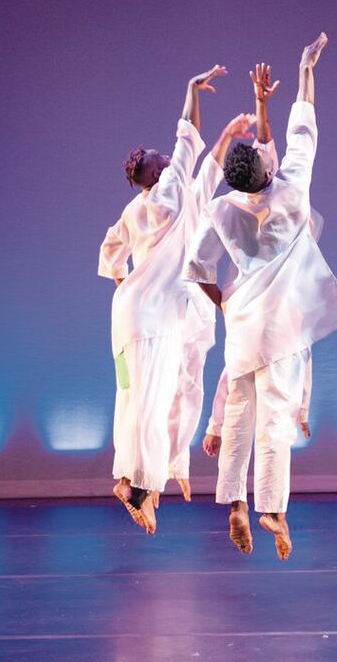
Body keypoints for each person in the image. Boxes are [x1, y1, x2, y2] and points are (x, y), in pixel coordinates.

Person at [184, 33, 337, 559]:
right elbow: (303, 131)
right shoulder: (291, 193)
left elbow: (196, 265)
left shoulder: (223, 208)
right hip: (280, 329)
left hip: (243, 325)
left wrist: (225, 303)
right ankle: (271, 509)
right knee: (274, 416)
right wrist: (305, 69)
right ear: (267, 173)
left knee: (238, 414)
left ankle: (233, 499)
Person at [98, 64, 238, 533]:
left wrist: (126, 283)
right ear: (157, 173)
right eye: (164, 159)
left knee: (130, 398)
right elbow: (188, 138)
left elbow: (109, 253)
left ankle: (128, 477)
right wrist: (191, 90)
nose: (171, 160)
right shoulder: (170, 194)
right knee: (152, 403)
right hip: (154, 320)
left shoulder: (133, 210)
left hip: (126, 319)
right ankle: (141, 487)